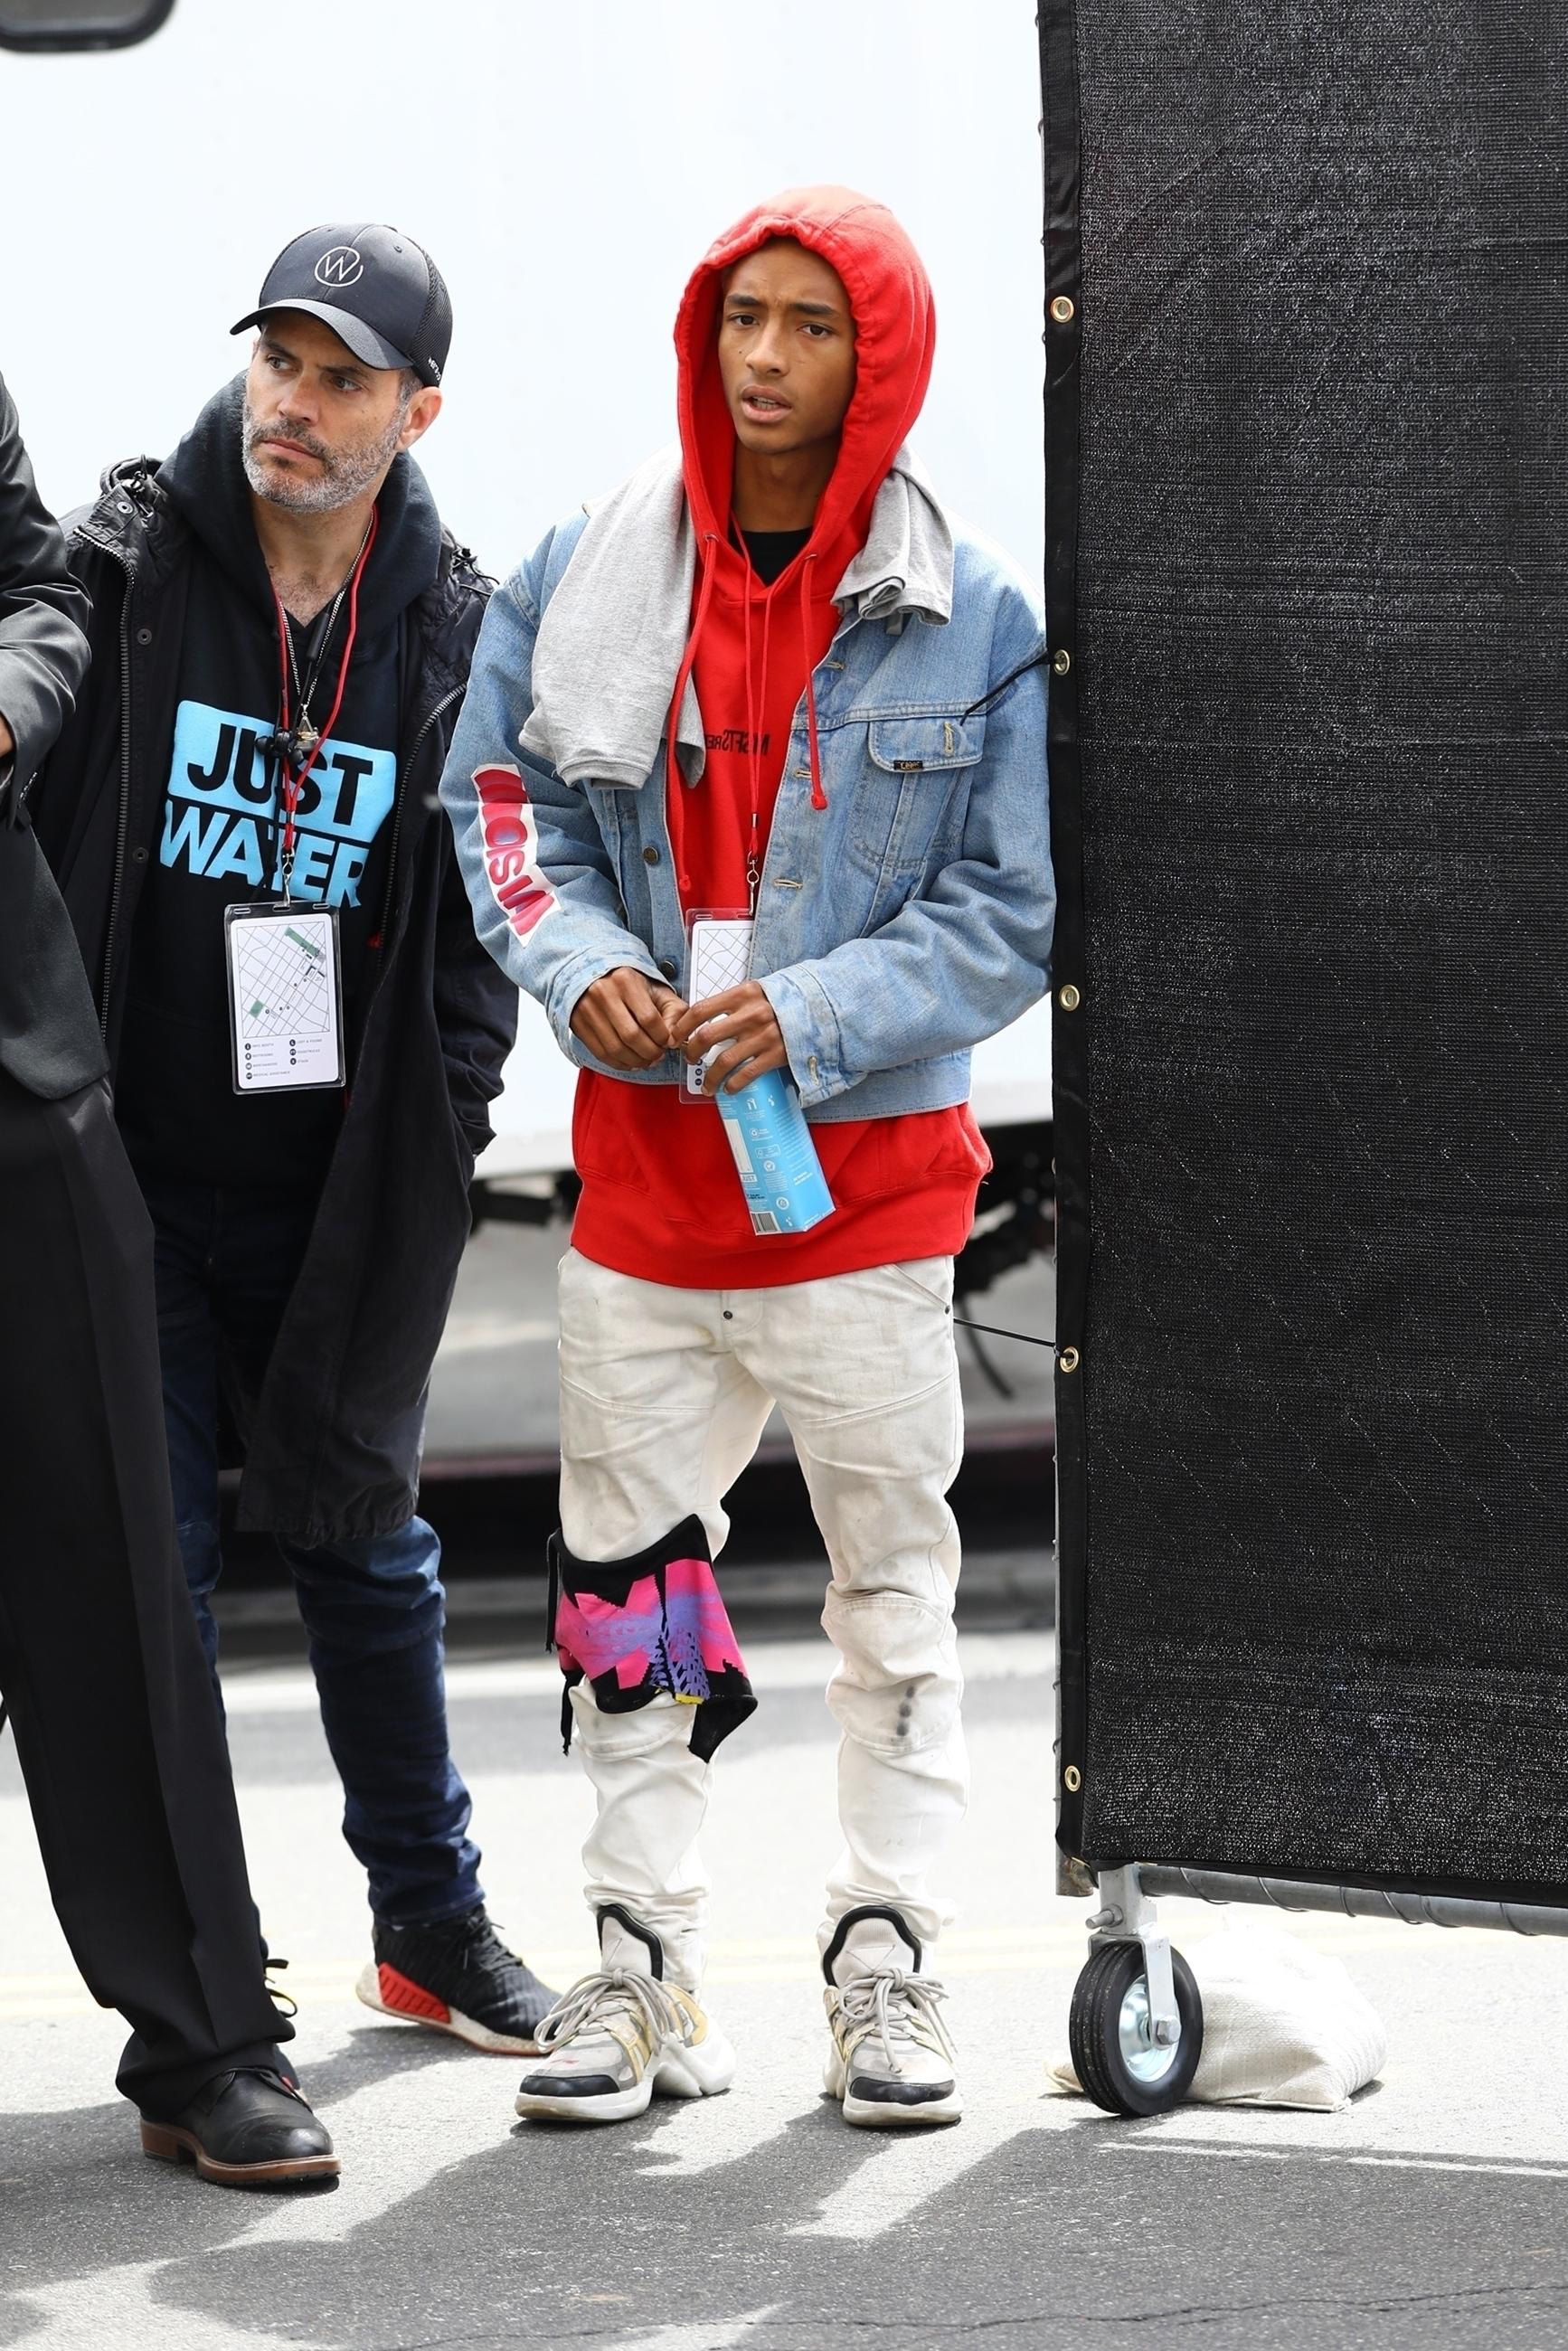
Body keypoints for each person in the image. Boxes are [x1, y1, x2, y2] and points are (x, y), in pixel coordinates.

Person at [440, 186, 1053, 2129]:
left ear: (880, 365)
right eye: (740, 319)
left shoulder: (974, 618)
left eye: (811, 327)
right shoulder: (588, 560)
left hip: (867, 1204)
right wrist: (586, 966)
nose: (765, 358)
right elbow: (501, 808)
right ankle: (639, 1970)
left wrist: (815, 1010)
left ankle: (889, 1959)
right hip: (646, 1198)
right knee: (636, 1593)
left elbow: (1007, 911)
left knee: (892, 1597)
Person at [31, 225, 553, 2054]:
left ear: (417, 409)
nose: (296, 405)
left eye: (340, 378)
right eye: (278, 363)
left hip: (339, 1190)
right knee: (149, 1587)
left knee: (366, 1543)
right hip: (131, 1190)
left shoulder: (452, 629)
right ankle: (204, 1969)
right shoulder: (129, 570)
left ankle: (430, 1922)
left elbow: (490, 913)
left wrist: (447, 1124)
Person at [0, 374, 336, 2185]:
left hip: (17, 1071)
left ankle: (204, 2036)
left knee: (119, 1557)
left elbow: (38, 583)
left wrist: (9, 694)